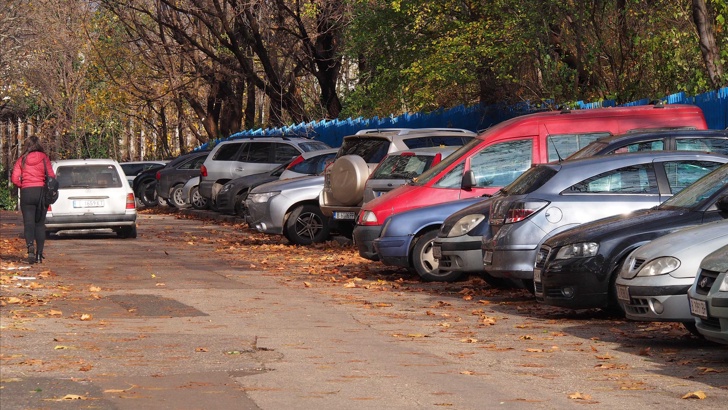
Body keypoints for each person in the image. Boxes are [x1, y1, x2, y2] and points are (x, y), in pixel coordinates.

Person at [11, 136, 55, 264]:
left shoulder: (22, 159)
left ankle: (30, 247)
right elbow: (51, 176)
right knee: (40, 224)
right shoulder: (44, 158)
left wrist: (23, 185)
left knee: (28, 223)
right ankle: (39, 255)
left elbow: (14, 178)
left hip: (27, 193)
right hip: (41, 192)